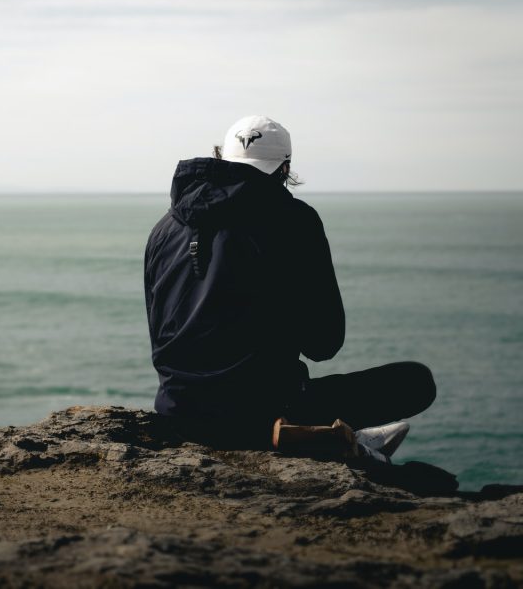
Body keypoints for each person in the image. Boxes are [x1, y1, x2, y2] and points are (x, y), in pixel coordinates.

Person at [143, 115, 436, 457]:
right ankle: (325, 441)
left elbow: (160, 334)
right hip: (261, 411)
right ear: (284, 168)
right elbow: (324, 344)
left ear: (221, 156)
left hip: (178, 412)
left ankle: (313, 437)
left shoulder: (163, 228)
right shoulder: (294, 221)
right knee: (416, 382)